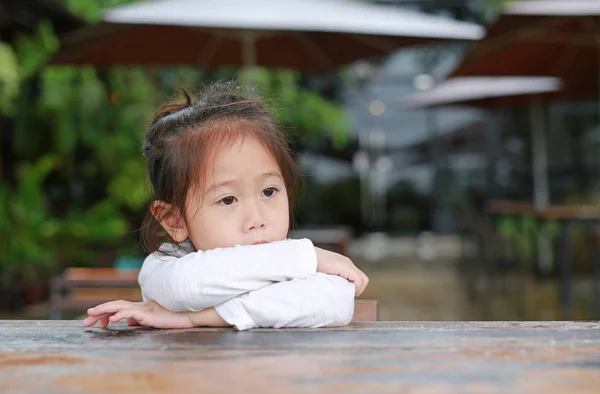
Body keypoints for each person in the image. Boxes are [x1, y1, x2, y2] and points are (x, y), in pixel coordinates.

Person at [83, 81, 369, 331]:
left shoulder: (291, 259)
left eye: (268, 191)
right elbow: (186, 287)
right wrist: (306, 258)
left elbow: (334, 302)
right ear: (174, 220)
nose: (256, 218)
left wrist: (200, 318)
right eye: (228, 199)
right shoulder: (165, 266)